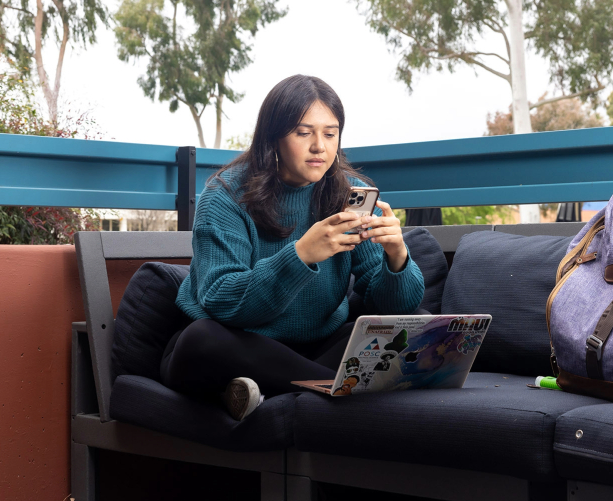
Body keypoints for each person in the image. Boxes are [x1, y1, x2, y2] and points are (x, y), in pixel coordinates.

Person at [162, 75, 425, 420]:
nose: (320, 146)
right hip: (238, 342)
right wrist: (301, 256)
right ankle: (340, 388)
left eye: (330, 134)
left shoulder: (349, 195)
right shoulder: (224, 196)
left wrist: (396, 257)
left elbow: (390, 307)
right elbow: (222, 301)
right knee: (201, 341)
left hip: (315, 346)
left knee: (412, 326)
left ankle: (264, 389)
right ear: (273, 137)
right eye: (304, 133)